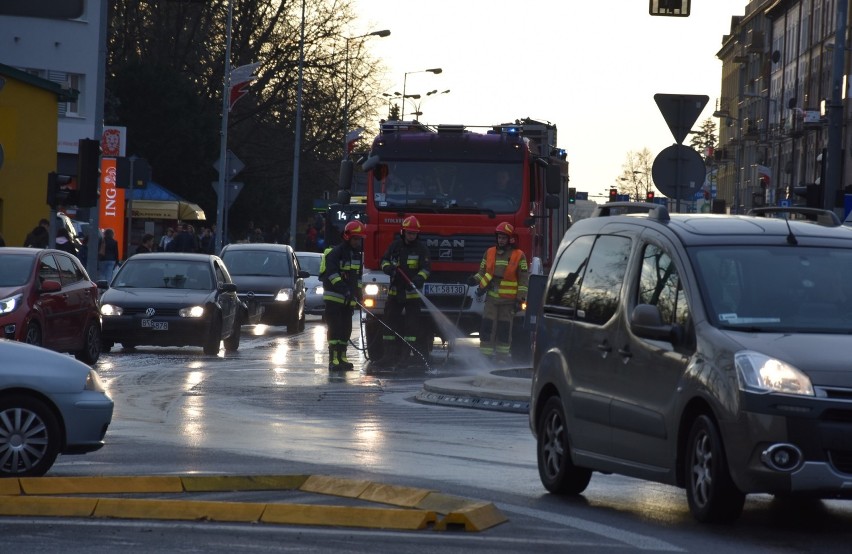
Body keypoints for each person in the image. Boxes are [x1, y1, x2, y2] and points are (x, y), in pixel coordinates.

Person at [468, 221, 529, 362]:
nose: (501, 240)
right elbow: (482, 272)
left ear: (510, 239)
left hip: (508, 301)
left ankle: (502, 358)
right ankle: (485, 357)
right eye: (499, 237)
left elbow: (523, 280)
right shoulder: (489, 252)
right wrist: (474, 280)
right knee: (488, 327)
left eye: (504, 238)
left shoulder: (519, 255)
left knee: (504, 329)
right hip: (491, 299)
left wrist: (520, 299)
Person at [378, 215, 431, 365]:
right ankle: (388, 356)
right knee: (389, 323)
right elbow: (384, 261)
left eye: (414, 233)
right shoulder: (395, 246)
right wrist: (389, 269)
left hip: (412, 295)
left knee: (412, 327)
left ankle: (405, 356)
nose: (411, 236)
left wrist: (417, 280)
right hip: (395, 293)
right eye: (409, 233)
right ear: (403, 232)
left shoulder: (422, 249)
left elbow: (426, 269)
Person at [320, 220, 366, 371]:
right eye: (355, 239)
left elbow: (357, 278)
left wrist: (358, 293)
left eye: (359, 239)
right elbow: (332, 275)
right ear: (347, 237)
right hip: (334, 298)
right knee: (335, 328)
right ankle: (334, 359)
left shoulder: (357, 255)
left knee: (346, 329)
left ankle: (343, 358)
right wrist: (344, 289)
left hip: (348, 299)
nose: (357, 242)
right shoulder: (335, 253)